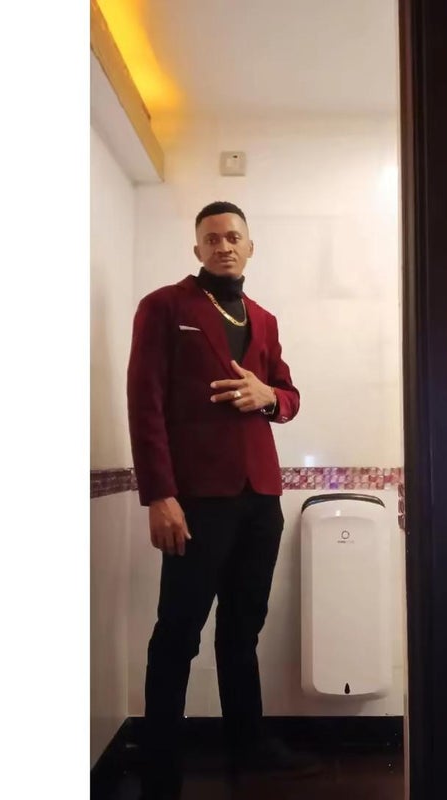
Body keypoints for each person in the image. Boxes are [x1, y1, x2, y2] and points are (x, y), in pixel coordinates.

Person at [127, 201, 317, 798]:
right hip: (196, 500)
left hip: (261, 497)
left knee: (243, 629)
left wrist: (268, 396)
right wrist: (160, 494)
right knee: (177, 633)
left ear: (250, 246)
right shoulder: (164, 307)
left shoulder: (264, 318)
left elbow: (288, 395)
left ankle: (248, 743)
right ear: (198, 249)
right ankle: (160, 767)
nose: (224, 246)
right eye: (212, 238)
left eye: (234, 237)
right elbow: (144, 402)